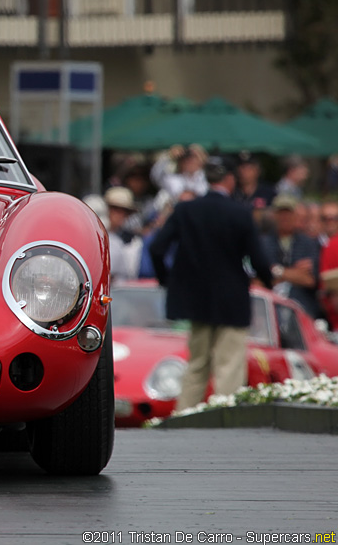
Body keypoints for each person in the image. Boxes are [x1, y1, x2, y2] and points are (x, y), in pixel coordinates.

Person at [148, 156, 274, 411]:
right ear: (229, 180)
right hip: (231, 300)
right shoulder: (240, 213)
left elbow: (157, 248)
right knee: (228, 365)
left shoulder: (185, 210)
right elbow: (259, 258)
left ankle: (184, 419)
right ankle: (224, 420)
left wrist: (167, 280)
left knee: (196, 364)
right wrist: (268, 280)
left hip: (195, 300)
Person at [261, 194, 321, 319]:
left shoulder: (308, 243)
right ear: (274, 216)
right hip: (270, 309)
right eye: (281, 213)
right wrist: (295, 272)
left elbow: (309, 280)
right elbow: (260, 279)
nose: (285, 217)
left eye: (288, 213)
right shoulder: (263, 242)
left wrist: (276, 270)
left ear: (295, 215)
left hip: (302, 307)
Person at [104, 186, 143, 284]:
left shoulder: (133, 241)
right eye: (116, 210)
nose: (121, 215)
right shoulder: (98, 237)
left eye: (125, 212)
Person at [318, 199, 338, 331]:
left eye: (334, 218)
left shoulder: (332, 244)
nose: (330, 222)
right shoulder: (323, 243)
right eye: (325, 218)